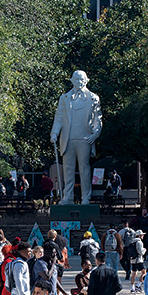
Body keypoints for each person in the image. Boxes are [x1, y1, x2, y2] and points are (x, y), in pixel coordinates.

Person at [50, 70, 103, 205]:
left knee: (84, 169)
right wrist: (54, 132)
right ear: (72, 81)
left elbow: (98, 120)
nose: (79, 82)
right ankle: (68, 197)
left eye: (82, 80)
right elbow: (59, 117)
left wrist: (95, 134)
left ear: (86, 81)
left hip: (85, 139)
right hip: (68, 139)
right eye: (77, 80)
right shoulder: (64, 98)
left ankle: (86, 197)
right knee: (68, 169)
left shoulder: (93, 98)